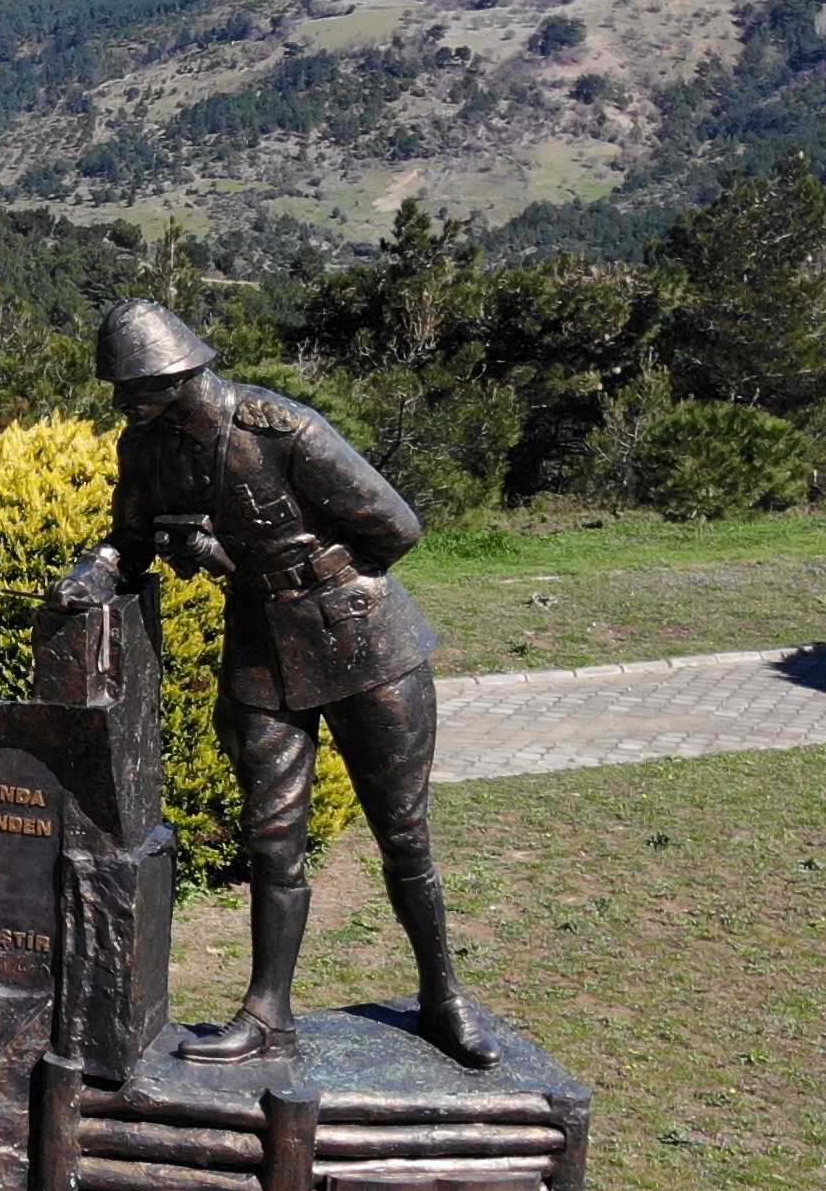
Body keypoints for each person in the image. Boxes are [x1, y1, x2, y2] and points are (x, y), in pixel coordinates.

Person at [49, 301, 493, 1067]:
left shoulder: (280, 430)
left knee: (404, 836)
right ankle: (266, 1013)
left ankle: (442, 996)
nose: (127, 405)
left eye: (138, 388)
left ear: (181, 376)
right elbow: (128, 540)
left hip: (364, 645)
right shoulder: (146, 448)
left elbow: (396, 529)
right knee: (271, 838)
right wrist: (94, 573)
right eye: (122, 392)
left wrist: (240, 553)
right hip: (262, 652)